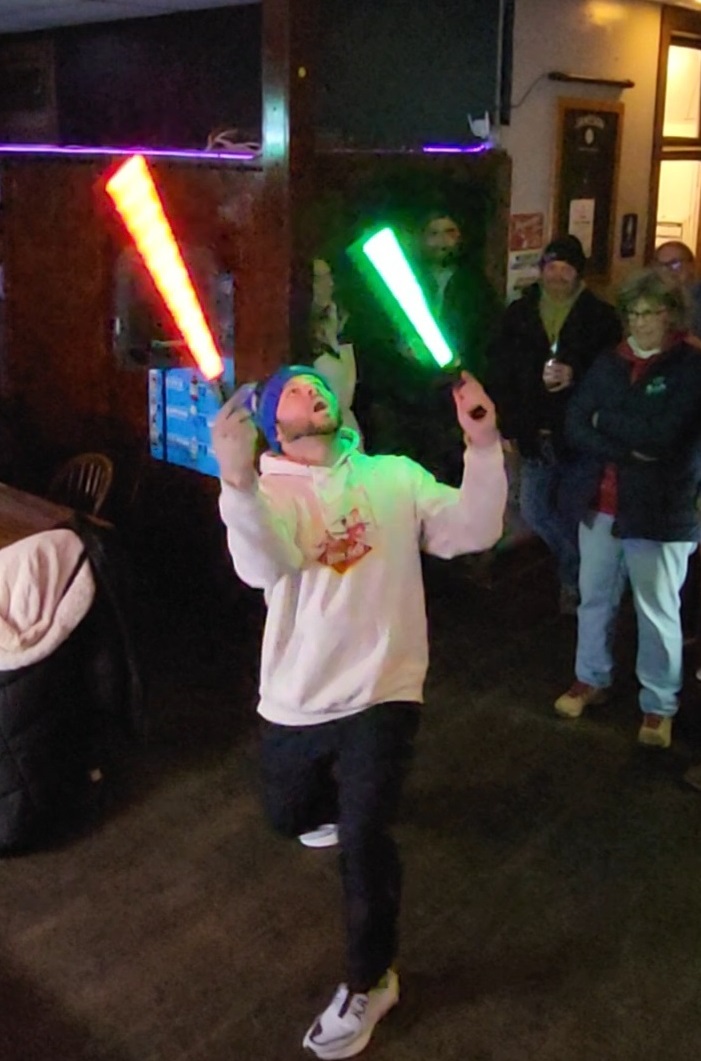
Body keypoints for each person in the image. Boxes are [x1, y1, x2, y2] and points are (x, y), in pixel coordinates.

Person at [211, 363, 506, 1059]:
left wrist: (483, 443)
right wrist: (236, 483)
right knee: (288, 815)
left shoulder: (392, 475)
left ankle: (371, 981)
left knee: (366, 838)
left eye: (316, 385)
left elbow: (473, 528)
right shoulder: (268, 489)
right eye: (292, 390)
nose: (310, 391)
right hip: (297, 692)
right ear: (272, 425)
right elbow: (262, 567)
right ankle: (324, 813)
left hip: (383, 685)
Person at [554, 268, 701, 749]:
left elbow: (663, 436)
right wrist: (625, 444)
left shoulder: (689, 366)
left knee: (657, 610)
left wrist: (607, 420)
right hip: (602, 502)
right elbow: (576, 422)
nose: (640, 323)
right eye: (633, 313)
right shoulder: (609, 361)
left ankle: (659, 704)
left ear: (671, 315)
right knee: (594, 596)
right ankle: (590, 677)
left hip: (661, 509)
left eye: (650, 313)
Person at [487, 234, 622, 614]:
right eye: (552, 266)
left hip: (580, 435)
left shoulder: (601, 317)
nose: (558, 275)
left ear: (579, 273)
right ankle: (586, 568)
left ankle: (571, 584)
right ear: (541, 269)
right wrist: (507, 425)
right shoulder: (520, 312)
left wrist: (575, 374)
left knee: (571, 511)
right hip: (533, 432)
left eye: (567, 268)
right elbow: (502, 371)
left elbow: (613, 373)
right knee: (534, 510)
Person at [308, 258, 363, 444]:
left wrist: (333, 337)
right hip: (320, 435)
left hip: (346, 432)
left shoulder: (339, 322)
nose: (329, 284)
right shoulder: (299, 336)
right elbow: (341, 396)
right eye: (320, 279)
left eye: (329, 276)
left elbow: (349, 390)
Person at [652, 240, 701, 340]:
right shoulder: (649, 299)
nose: (667, 270)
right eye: (661, 265)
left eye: (675, 264)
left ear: (691, 265)